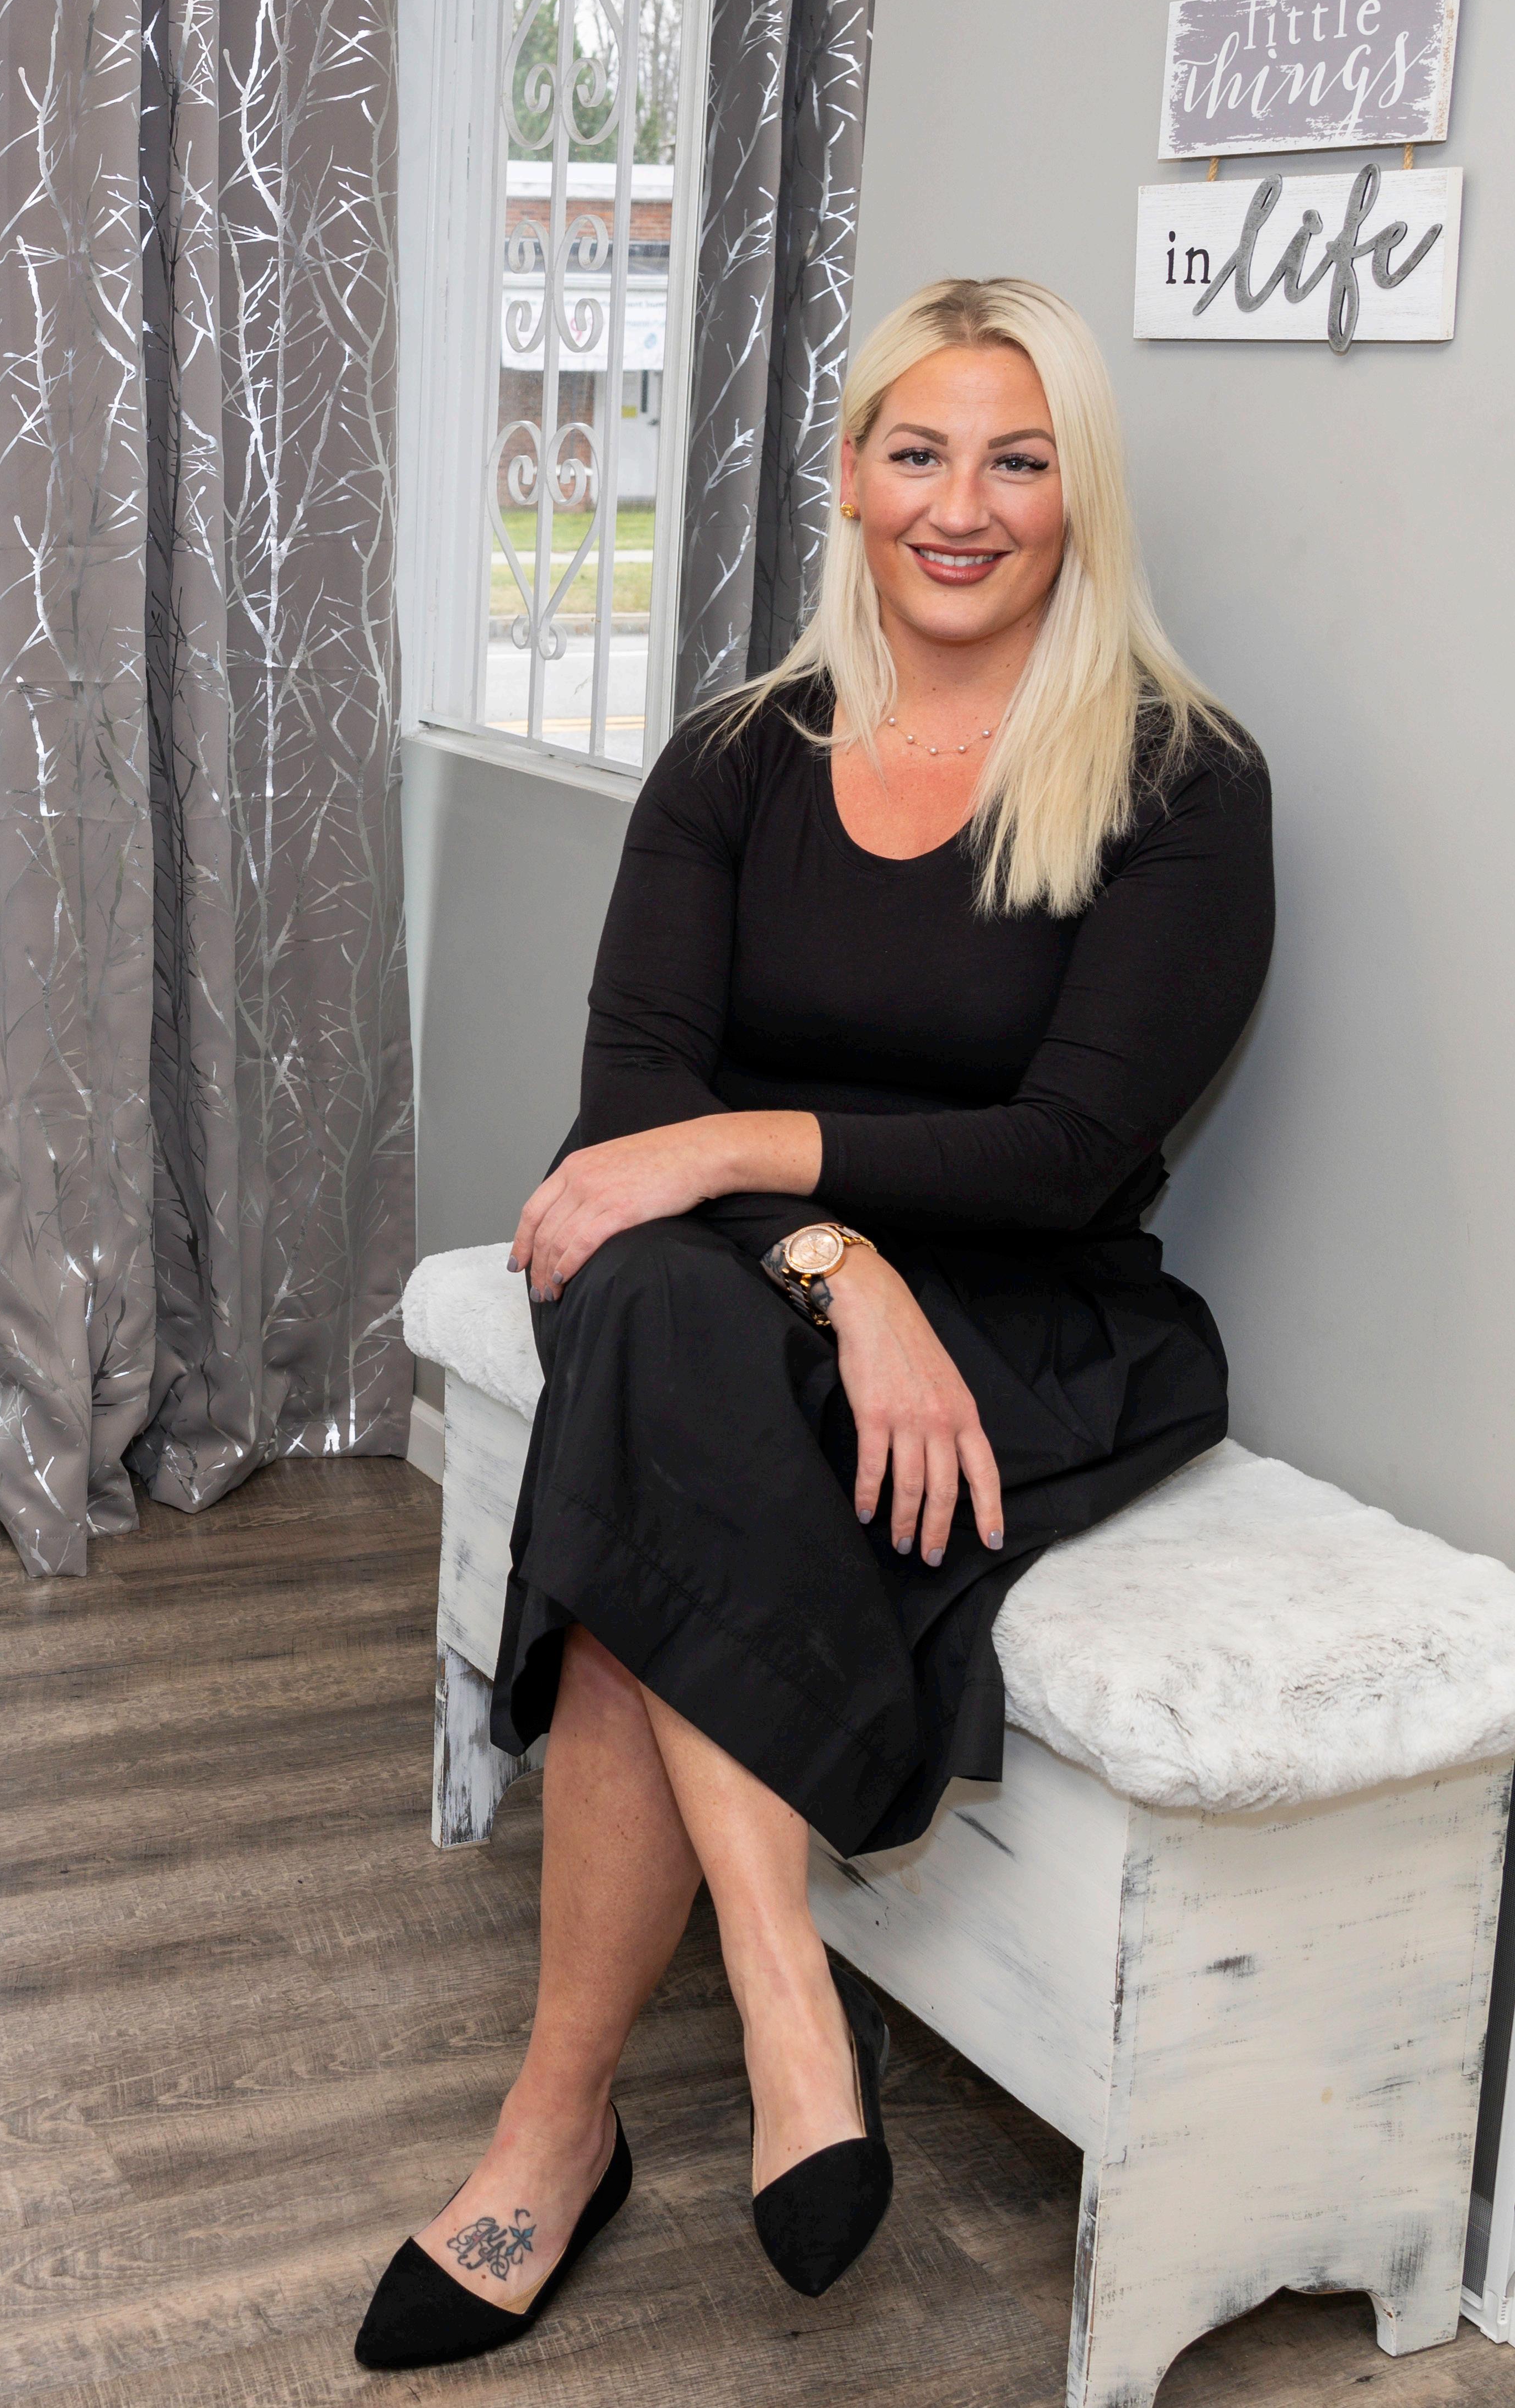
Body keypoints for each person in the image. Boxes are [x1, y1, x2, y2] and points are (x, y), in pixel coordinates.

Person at [356, 277, 1275, 2370]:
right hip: (766, 1289)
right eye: (917, 453)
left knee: (643, 1374)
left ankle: (557, 2128)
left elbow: (1065, 1153)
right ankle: (784, 1993)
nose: (962, 505)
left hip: (1038, 1315)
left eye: (1017, 461)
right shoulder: (734, 757)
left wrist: (735, 1155)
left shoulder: (1182, 780)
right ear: (849, 479)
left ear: (1076, 495)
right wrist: (835, 1262)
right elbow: (627, 1099)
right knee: (650, 1318)